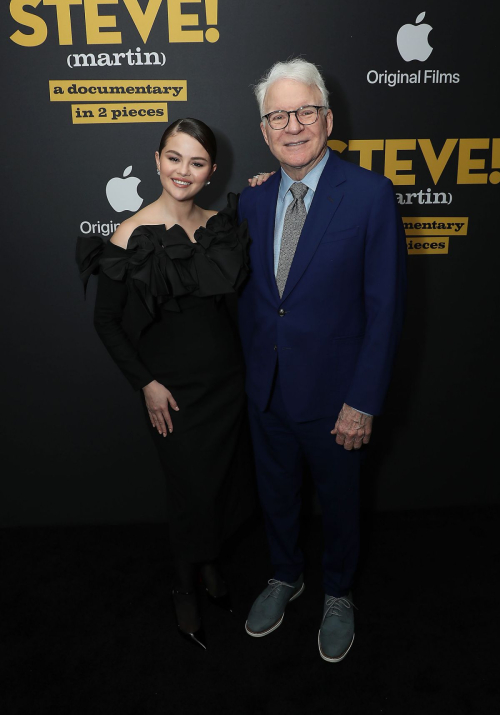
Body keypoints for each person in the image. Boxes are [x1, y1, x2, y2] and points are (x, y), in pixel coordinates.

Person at [76, 118, 269, 651]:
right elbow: (106, 322)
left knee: (227, 485)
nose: (184, 170)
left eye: (197, 161)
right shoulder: (130, 234)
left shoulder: (221, 226)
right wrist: (147, 384)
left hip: (228, 382)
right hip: (174, 392)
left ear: (211, 172)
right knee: (191, 491)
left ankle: (208, 568)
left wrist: (260, 190)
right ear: (157, 160)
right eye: (175, 157)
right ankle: (185, 586)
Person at [238, 59, 407, 662]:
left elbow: (384, 309)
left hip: (337, 398)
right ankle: (285, 575)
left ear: (327, 119)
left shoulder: (369, 194)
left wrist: (361, 401)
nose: (292, 125)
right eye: (278, 115)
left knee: (339, 504)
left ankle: (338, 593)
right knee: (276, 494)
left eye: (305, 111)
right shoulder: (251, 203)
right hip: (267, 389)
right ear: (264, 130)